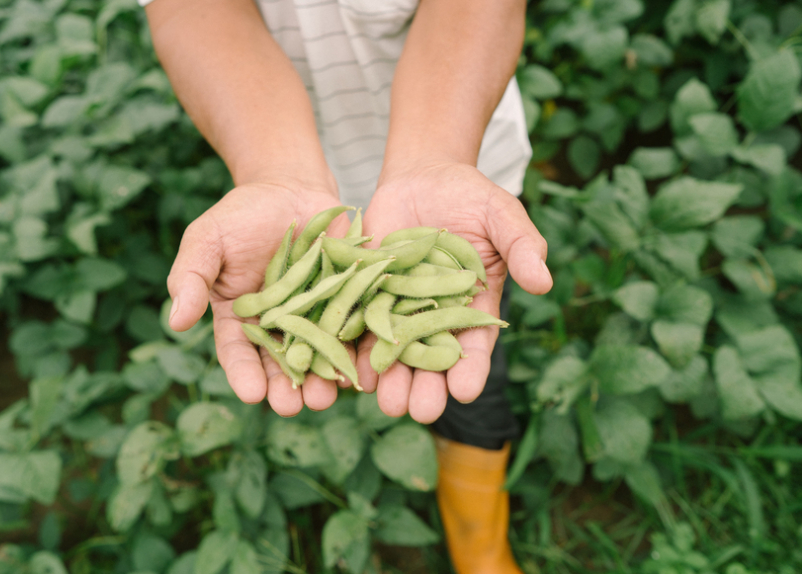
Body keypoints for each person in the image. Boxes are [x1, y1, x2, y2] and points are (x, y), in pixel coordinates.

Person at [142, 0, 553, 571]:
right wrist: (274, 172)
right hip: (283, 181)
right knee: (449, 359)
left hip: (457, 174)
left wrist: (436, 156)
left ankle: (479, 543)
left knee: (468, 361)